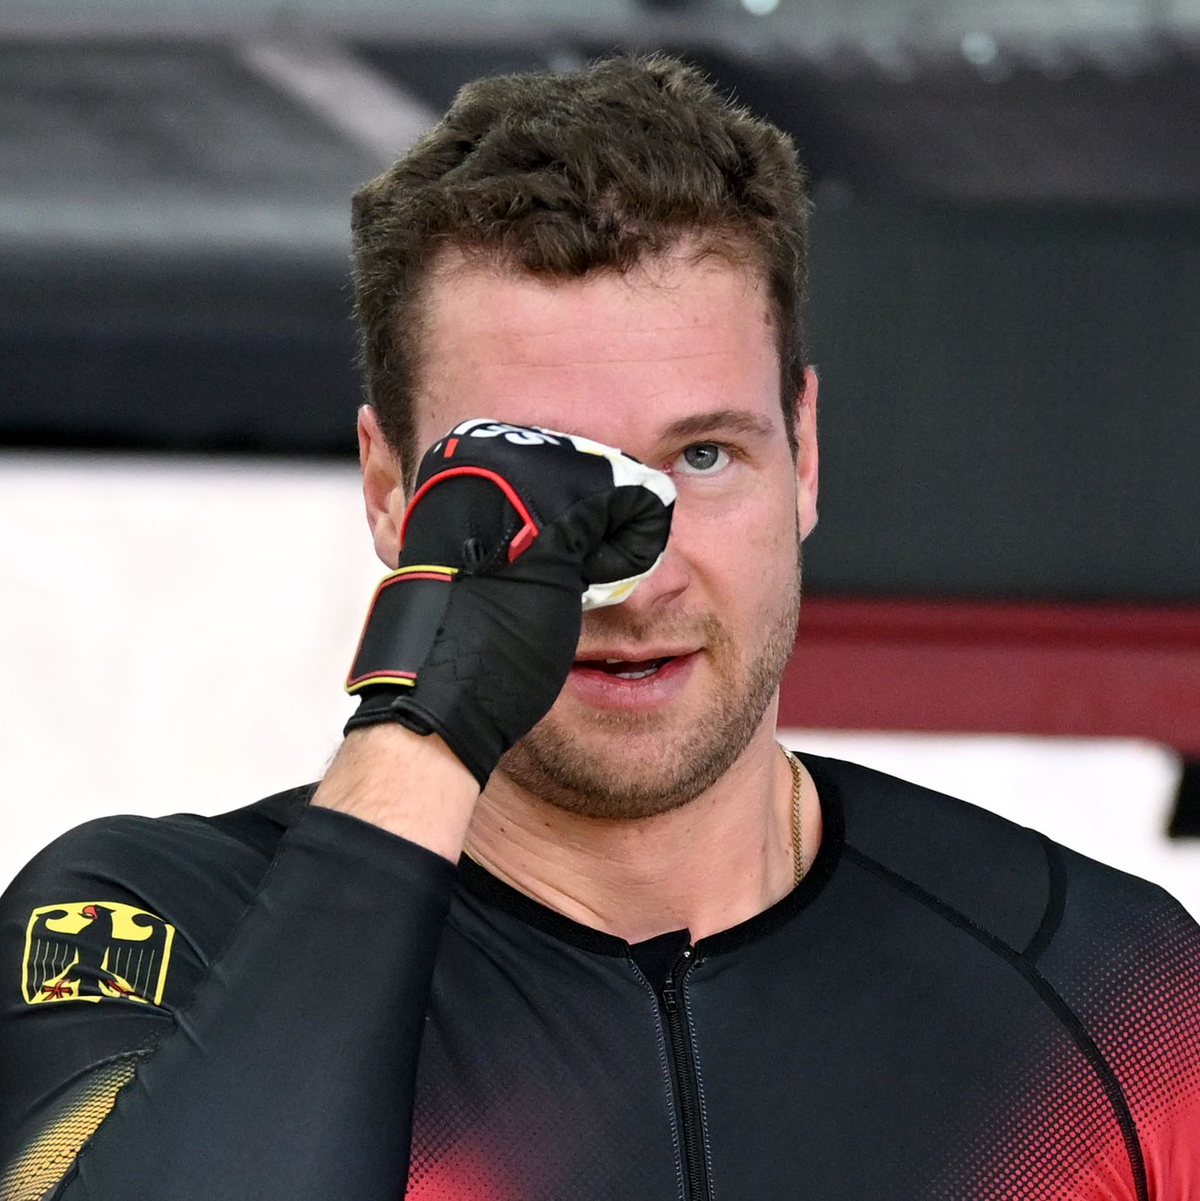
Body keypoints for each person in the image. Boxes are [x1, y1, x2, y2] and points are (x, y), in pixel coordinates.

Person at [1, 53, 1198, 1201]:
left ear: (808, 456)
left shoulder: (1110, 985)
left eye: (705, 456)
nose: (633, 575)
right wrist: (427, 717)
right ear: (385, 488)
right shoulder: (158, 928)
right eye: (534, 480)